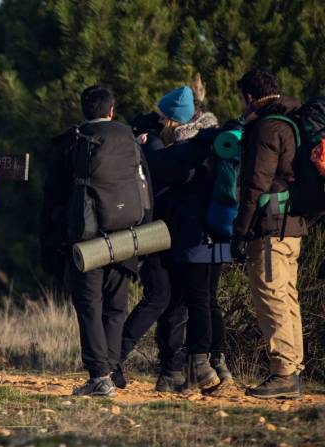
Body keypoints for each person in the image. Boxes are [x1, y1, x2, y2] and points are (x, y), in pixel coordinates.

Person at [116, 86, 233, 393]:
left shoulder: (185, 150)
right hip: (217, 233)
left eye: (162, 116)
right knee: (201, 299)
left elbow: (164, 169)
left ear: (172, 120)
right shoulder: (214, 141)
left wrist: (145, 149)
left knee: (183, 300)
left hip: (187, 237)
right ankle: (212, 365)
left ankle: (191, 367)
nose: (159, 121)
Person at [63, 85, 148, 397]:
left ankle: (99, 376)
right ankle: (111, 370)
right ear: (112, 110)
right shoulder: (129, 137)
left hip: (88, 235)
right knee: (116, 306)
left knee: (89, 305)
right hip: (126, 231)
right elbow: (144, 183)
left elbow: (59, 192)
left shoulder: (77, 139)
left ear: (85, 110)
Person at [231, 69, 306, 399]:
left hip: (271, 227)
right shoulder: (292, 120)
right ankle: (294, 368)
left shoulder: (265, 127)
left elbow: (255, 185)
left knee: (272, 296)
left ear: (249, 97)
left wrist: (240, 230)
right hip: (292, 226)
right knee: (287, 297)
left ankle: (283, 372)